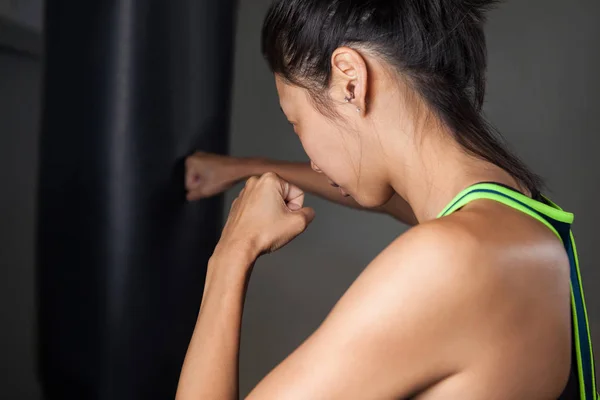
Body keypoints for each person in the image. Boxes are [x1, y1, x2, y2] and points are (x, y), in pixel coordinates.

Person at [176, 1, 597, 399]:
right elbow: (387, 198)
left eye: (296, 121)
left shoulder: (450, 260)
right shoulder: (517, 213)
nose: (314, 162)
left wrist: (232, 252)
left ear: (350, 81)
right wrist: (247, 168)